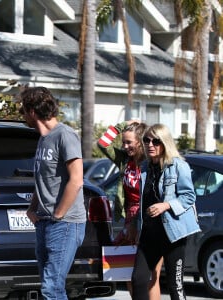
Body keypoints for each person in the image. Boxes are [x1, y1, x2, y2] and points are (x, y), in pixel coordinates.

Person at [18, 86, 86, 300]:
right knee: (50, 284)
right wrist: (32, 208)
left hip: (65, 223)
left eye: (23, 110)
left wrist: (58, 214)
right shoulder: (43, 139)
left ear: (32, 111)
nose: (23, 116)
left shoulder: (64, 134)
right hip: (44, 221)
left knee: (52, 287)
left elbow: (76, 180)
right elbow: (44, 179)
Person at [131, 123, 201, 300]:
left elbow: (189, 196)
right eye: (146, 140)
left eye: (156, 141)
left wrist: (166, 205)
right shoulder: (145, 168)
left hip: (173, 234)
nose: (150, 145)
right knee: (138, 280)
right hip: (149, 234)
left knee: (174, 285)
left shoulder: (178, 166)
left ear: (165, 143)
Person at [97, 121, 163, 298]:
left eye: (129, 142)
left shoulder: (151, 163)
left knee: (150, 276)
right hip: (130, 217)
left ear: (141, 142)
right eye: (123, 142)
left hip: (149, 218)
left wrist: (135, 223)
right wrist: (120, 126)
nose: (125, 147)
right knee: (129, 273)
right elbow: (102, 143)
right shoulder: (124, 160)